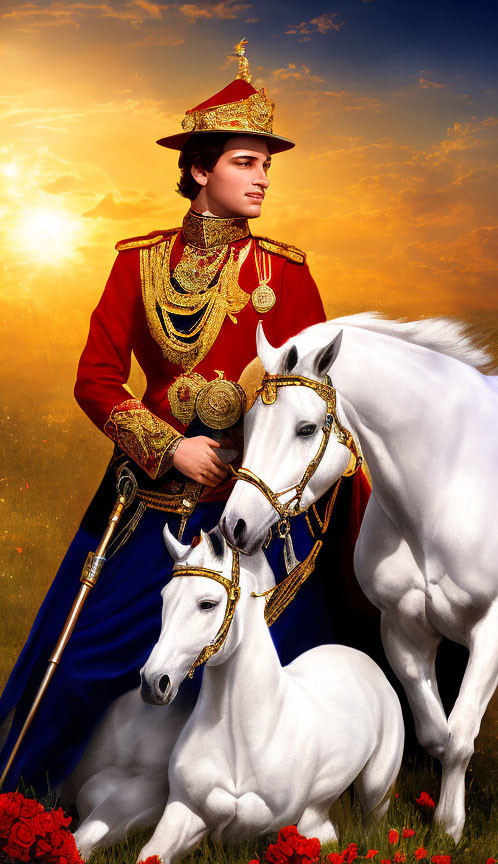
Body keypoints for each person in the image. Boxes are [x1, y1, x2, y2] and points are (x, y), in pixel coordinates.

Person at [0, 40, 371, 797]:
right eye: (245, 162)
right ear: (201, 169)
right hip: (150, 504)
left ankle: (262, 817)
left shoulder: (289, 275)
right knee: (75, 666)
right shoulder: (136, 263)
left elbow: (320, 397)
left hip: (260, 518)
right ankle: (28, 811)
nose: (263, 176)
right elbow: (96, 379)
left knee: (289, 670)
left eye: (268, 164)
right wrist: (169, 449)